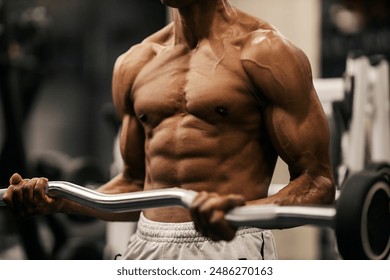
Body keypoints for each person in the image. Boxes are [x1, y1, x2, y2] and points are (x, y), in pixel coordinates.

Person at [3, 0, 335, 260]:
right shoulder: (135, 63)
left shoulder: (266, 53)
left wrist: (240, 215)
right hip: (147, 245)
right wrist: (59, 200)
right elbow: (134, 184)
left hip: (230, 248)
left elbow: (317, 184)